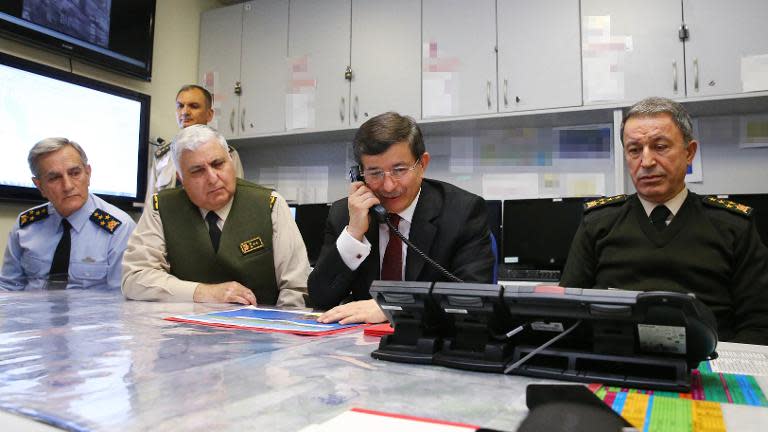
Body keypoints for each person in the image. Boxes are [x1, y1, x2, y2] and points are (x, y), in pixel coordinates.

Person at [560, 96, 768, 345]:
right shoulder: (597, 223)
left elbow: (758, 324)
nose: (646, 162)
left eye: (660, 147)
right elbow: (566, 309)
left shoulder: (733, 226)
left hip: (707, 367)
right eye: (635, 150)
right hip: (615, 362)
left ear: (689, 152)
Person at [308, 112, 495, 324]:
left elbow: (476, 300)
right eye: (375, 173)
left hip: (432, 342)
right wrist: (354, 234)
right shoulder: (345, 213)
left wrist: (393, 307)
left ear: (422, 164)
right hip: (357, 345)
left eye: (399, 170)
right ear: (359, 174)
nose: (388, 186)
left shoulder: (462, 211)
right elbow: (320, 298)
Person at [122, 124, 309, 306]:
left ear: (231, 161)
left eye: (218, 164)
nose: (212, 178)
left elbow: (296, 289)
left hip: (260, 331)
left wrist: (279, 331)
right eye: (197, 171)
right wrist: (203, 293)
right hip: (184, 330)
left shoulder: (270, 205)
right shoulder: (161, 209)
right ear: (181, 178)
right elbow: (134, 278)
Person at [0, 138, 136, 290]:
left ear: (88, 173)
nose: (68, 186)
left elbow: (119, 299)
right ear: (39, 186)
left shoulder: (119, 228)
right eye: (54, 178)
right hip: (29, 313)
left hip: (91, 314)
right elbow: (8, 287)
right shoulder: (26, 225)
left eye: (75, 173)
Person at [145, 84, 244, 204]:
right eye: (180, 106)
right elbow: (151, 205)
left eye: (193, 106)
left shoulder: (227, 155)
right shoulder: (163, 157)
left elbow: (236, 203)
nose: (185, 112)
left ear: (209, 114)